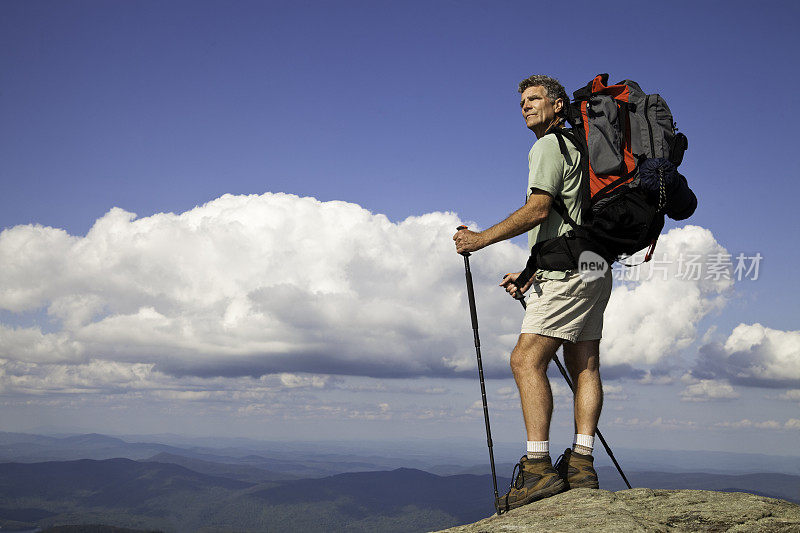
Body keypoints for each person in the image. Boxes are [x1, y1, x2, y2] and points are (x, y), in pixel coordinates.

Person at [453, 74, 612, 510]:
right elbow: (564, 220)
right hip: (593, 266)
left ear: (558, 105)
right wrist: (528, 273)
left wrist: (480, 239)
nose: (525, 106)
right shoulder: (580, 149)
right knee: (584, 362)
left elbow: (539, 209)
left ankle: (539, 469)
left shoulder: (547, 146)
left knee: (525, 359)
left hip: (566, 274)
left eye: (535, 98)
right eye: (522, 101)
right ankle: (581, 463)